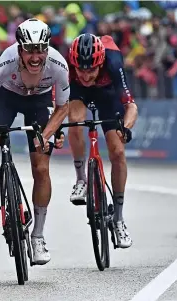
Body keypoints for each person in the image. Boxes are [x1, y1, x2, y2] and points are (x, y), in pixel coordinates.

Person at [0, 18, 69, 265]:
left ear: (47, 48)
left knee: (41, 167)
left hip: (40, 101)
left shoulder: (58, 65)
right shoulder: (6, 61)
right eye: (29, 49)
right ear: (19, 48)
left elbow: (63, 108)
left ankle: (38, 236)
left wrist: (47, 134)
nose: (35, 57)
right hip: (7, 96)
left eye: (40, 49)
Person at [67, 33, 138, 248]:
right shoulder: (68, 65)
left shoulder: (113, 62)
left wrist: (125, 127)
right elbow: (59, 104)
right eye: (81, 70)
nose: (86, 75)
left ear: (100, 63)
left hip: (108, 95)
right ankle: (81, 179)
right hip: (79, 94)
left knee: (117, 152)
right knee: (75, 120)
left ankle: (118, 218)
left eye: (91, 70)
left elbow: (131, 106)